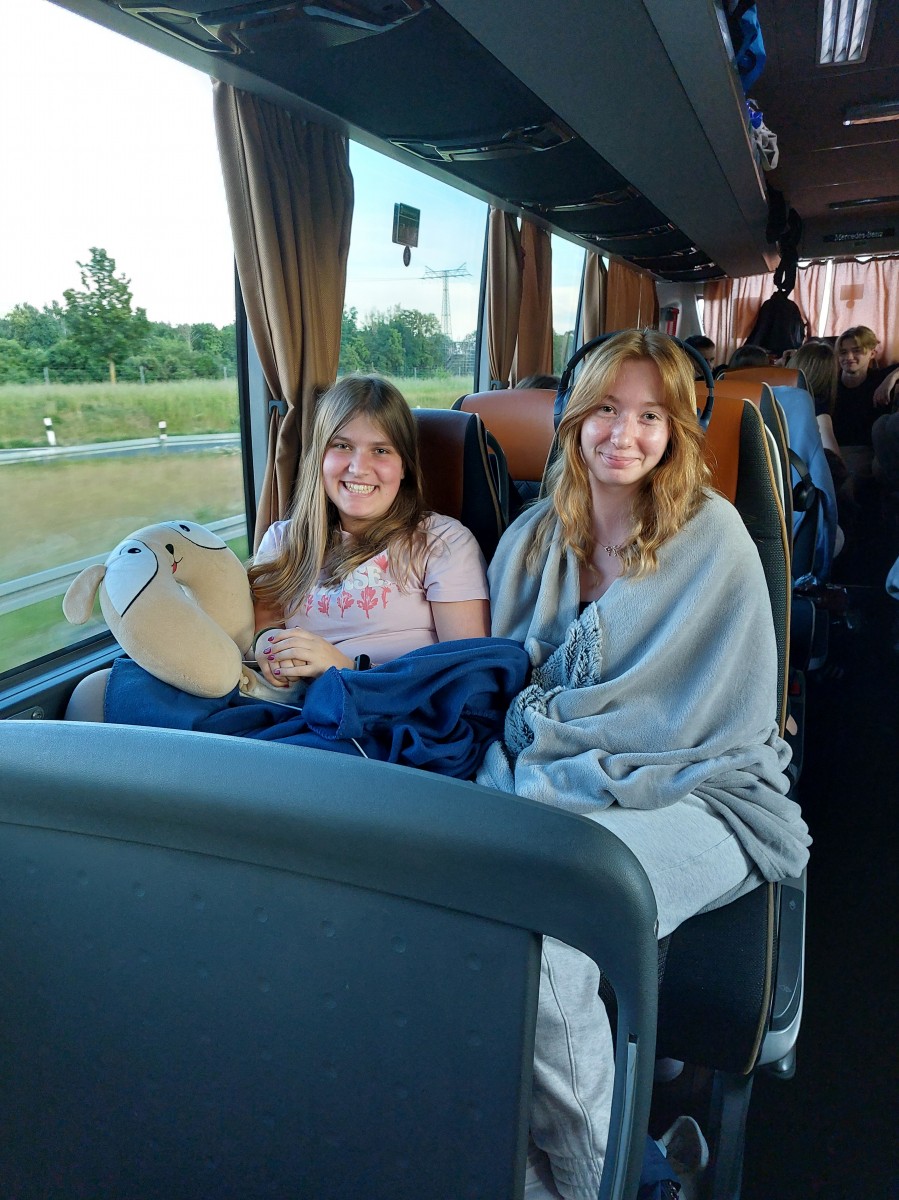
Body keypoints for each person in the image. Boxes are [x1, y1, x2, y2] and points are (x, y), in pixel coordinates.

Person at [477, 329, 811, 1200]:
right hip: (561, 783)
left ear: (676, 430)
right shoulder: (530, 539)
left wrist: (575, 749)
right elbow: (500, 679)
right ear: (570, 417)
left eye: (651, 416)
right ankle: (599, 1162)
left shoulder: (715, 535)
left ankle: (609, 1181)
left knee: (555, 936)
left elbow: (716, 714)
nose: (623, 434)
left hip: (704, 791)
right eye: (604, 410)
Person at [248, 373, 490, 689]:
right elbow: (265, 626)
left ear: (404, 466)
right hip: (294, 707)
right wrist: (269, 646)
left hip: (394, 710)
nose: (358, 468)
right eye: (342, 445)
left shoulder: (442, 542)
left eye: (381, 450)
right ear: (319, 458)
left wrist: (346, 669)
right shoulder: (282, 541)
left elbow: (468, 677)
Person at [832, 326, 899, 492]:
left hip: (869, 452)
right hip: (834, 449)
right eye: (843, 352)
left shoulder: (879, 378)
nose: (849, 357)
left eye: (857, 351)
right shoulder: (830, 383)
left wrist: (893, 377)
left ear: (872, 353)